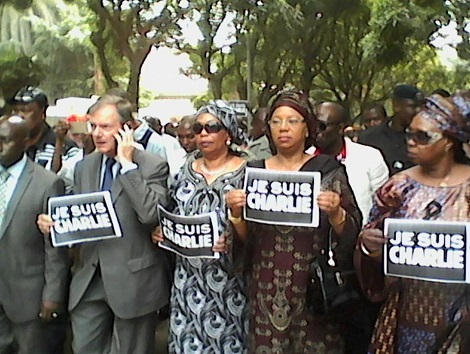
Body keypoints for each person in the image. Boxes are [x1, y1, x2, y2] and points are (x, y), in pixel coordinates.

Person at [226, 90, 362, 353]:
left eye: (292, 121)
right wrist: (235, 213)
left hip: (312, 282)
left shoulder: (327, 169)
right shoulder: (254, 171)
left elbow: (351, 230)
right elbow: (242, 240)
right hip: (266, 283)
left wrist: (336, 213)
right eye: (276, 122)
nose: (283, 128)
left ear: (307, 127)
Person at [37, 95, 171, 354]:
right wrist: (56, 224)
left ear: (127, 129)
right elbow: (81, 217)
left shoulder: (152, 165)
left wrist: (127, 165)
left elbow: (150, 215)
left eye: (105, 127)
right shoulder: (85, 167)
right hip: (89, 278)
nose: (97, 134)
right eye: (93, 126)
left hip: (133, 280)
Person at [357, 93, 470, 353]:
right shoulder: (397, 187)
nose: (411, 141)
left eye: (422, 136)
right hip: (406, 313)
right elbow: (373, 243)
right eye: (410, 133)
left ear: (449, 142)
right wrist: (370, 248)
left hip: (461, 319)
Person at [152, 101, 249, 353]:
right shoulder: (182, 171)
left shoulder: (248, 172)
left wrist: (234, 235)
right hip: (188, 282)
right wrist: (163, 231)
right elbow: (171, 210)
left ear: (228, 133)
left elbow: (260, 230)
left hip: (231, 283)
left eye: (212, 127)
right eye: (198, 128)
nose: (203, 134)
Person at [0, 115, 69, 354]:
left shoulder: (47, 183)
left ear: (27, 142)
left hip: (28, 297)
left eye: (5, 141)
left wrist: (52, 295)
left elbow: (54, 248)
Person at [308, 102, 389, 225]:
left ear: (340, 128)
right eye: (312, 125)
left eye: (322, 126)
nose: (316, 131)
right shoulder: (302, 158)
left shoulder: (370, 157)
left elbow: (382, 208)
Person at [9, 86, 80, 173]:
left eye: (25, 110)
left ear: (42, 113)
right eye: (15, 111)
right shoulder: (8, 146)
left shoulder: (66, 149)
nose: (19, 115)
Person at [358, 84, 424, 175]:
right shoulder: (368, 137)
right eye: (412, 106)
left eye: (421, 106)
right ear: (396, 105)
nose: (418, 111)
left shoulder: (424, 139)